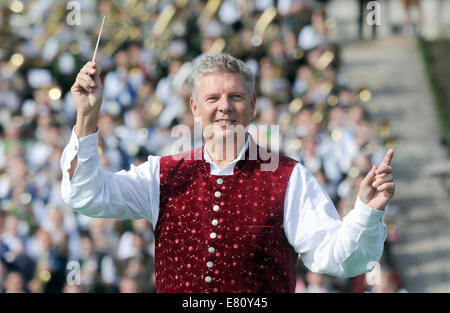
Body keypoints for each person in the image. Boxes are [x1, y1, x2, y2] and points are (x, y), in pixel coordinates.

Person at [60, 53, 395, 293]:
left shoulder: (289, 176)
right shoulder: (162, 174)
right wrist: (87, 118)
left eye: (235, 97)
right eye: (212, 98)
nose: (224, 107)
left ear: (251, 105)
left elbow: (338, 259)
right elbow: (86, 196)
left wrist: (366, 211)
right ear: (194, 108)